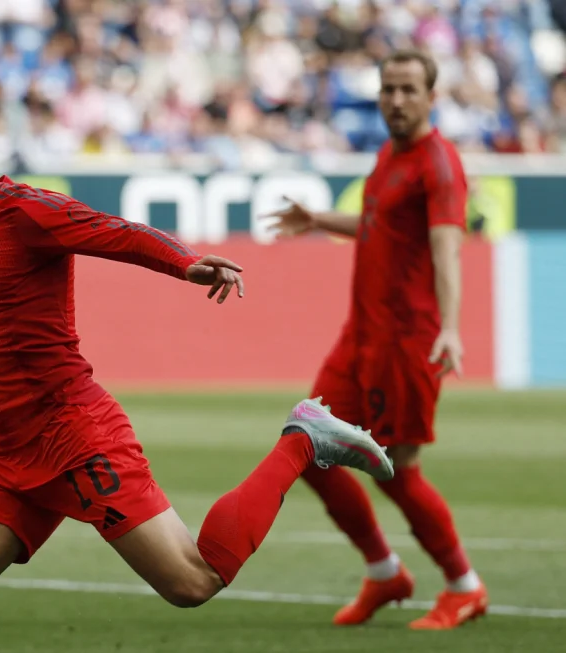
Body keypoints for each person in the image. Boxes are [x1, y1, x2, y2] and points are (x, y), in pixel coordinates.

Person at [0, 108, 395, 653]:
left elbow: (116, 233)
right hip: (10, 451)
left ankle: (303, 440)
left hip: (75, 436)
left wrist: (184, 264)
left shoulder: (28, 212)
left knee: (193, 581)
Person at [266, 49, 486, 629]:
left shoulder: (439, 164)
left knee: (400, 472)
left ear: (431, 96)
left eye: (408, 89)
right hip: (359, 336)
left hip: (404, 343)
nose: (395, 99)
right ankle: (385, 573)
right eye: (388, 88)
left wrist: (453, 329)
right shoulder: (389, 154)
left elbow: (447, 250)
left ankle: (465, 586)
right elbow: (374, 226)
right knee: (308, 447)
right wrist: (316, 219)